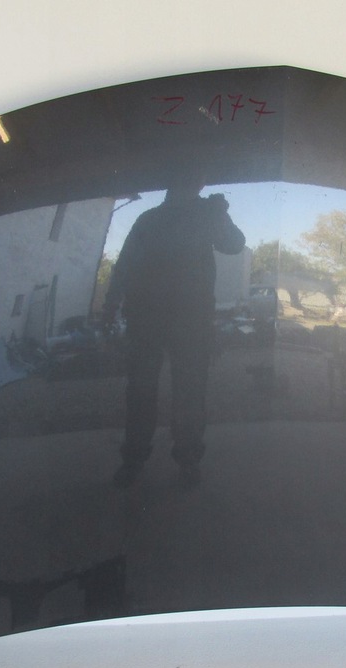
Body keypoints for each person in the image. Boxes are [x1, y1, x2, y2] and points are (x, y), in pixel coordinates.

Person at [103, 174, 246, 488]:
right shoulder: (150, 219)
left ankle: (183, 460)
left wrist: (219, 215)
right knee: (147, 390)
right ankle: (140, 459)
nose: (196, 188)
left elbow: (234, 245)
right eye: (192, 182)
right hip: (154, 316)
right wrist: (111, 303)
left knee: (185, 390)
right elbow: (125, 263)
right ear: (177, 186)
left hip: (184, 318)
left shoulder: (201, 216)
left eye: (196, 184)